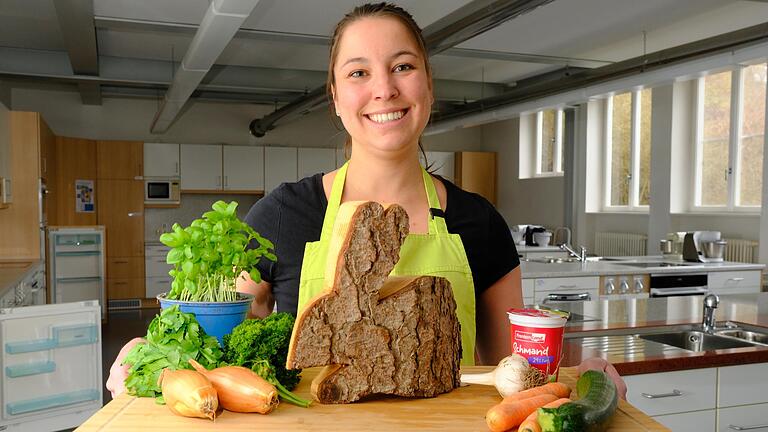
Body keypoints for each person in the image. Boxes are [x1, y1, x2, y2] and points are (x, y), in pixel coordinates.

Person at [107, 2, 626, 400]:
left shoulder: (480, 222)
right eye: (358, 72)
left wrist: (584, 374)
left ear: (428, 84)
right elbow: (219, 360)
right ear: (335, 96)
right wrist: (155, 359)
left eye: (402, 66)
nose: (384, 88)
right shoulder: (281, 215)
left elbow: (516, 369)